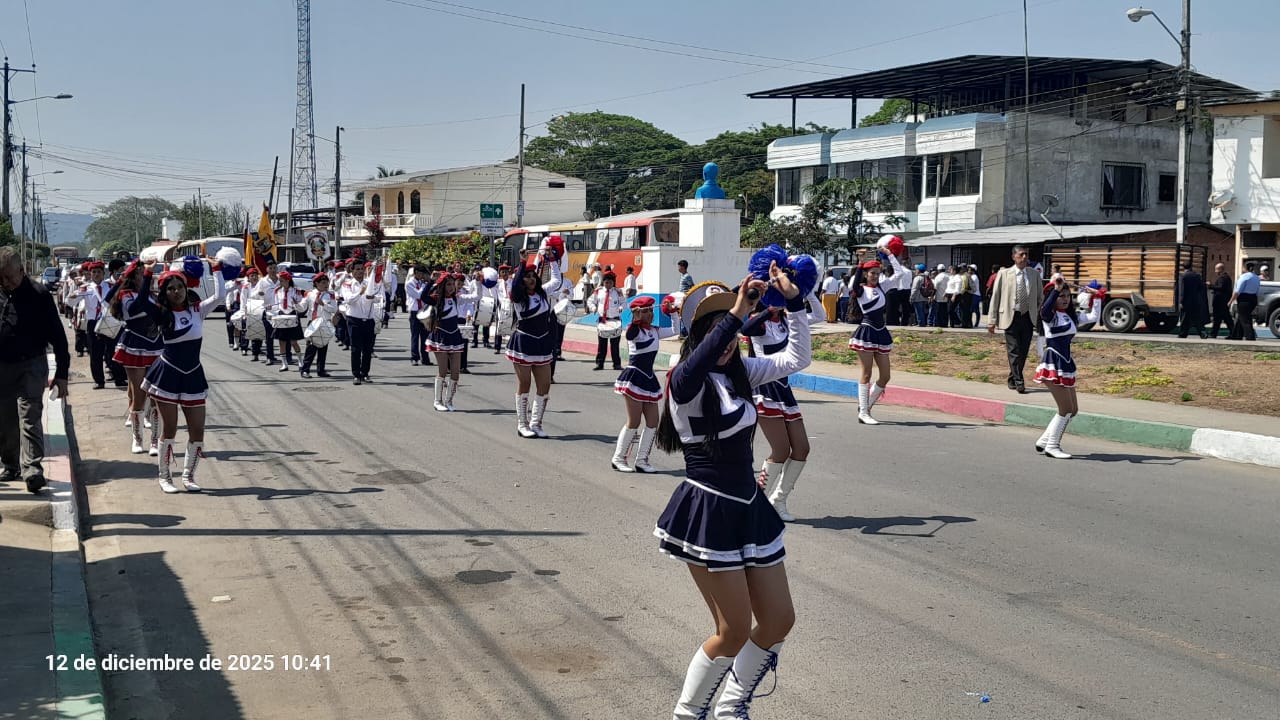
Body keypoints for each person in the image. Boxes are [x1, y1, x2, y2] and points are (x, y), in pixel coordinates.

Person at [653, 265, 809, 719]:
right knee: (733, 630)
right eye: (715, 329)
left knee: (779, 619)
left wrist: (794, 303)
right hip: (709, 511)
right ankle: (688, 715)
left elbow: (796, 359)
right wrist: (737, 312)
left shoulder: (741, 372)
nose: (726, 341)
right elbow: (699, 361)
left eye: (730, 330)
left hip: (749, 509)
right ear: (699, 336)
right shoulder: (684, 380)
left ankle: (731, 706)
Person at [137, 263, 228, 493]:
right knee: (170, 429)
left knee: (197, 430)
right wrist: (147, 272)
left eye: (180, 287)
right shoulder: (161, 314)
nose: (176, 291)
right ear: (164, 293)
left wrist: (216, 268)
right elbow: (141, 301)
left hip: (193, 375)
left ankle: (188, 476)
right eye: (170, 289)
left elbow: (220, 296)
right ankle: (165, 477)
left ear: (186, 289)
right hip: (167, 375)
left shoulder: (197, 310)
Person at [0, 246, 70, 494]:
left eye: (9, 277)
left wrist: (62, 375)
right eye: (1, 278)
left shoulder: (39, 295)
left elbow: (59, 338)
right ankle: (10, 465)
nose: (6, 283)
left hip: (31, 364)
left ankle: (32, 469)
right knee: (6, 420)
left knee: (29, 415)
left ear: (22, 270)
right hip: (2, 367)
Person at [743, 303, 810, 522]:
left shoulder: (786, 321)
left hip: (784, 390)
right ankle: (756, 503)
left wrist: (804, 296)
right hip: (765, 389)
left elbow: (817, 315)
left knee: (802, 448)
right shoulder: (761, 322)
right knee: (780, 450)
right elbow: (745, 328)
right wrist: (767, 311)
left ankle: (778, 500)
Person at [1032, 276, 1103, 459]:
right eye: (1060, 296)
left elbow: (1093, 317)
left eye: (1067, 296)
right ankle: (1052, 446)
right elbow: (1044, 310)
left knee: (1073, 409)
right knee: (1065, 409)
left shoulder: (1070, 316)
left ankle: (1044, 440)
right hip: (1053, 362)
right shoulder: (1050, 316)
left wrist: (1097, 297)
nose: (1064, 299)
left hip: (1065, 363)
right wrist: (1056, 289)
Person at [610, 296, 676, 473]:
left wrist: (672, 312)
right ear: (637, 313)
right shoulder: (634, 330)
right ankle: (618, 458)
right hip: (634, 377)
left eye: (651, 310)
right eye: (646, 311)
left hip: (648, 378)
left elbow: (676, 330)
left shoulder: (655, 330)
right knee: (634, 421)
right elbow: (630, 335)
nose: (650, 314)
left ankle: (641, 460)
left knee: (653, 421)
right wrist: (636, 319)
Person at [110, 260, 164, 455]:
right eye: (141, 274)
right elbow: (134, 309)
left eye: (145, 273)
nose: (144, 276)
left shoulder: (151, 295)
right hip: (135, 346)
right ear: (133, 277)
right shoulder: (126, 295)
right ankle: (137, 439)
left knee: (157, 396)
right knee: (139, 395)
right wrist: (148, 278)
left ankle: (155, 441)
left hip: (156, 345)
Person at [507, 248, 561, 438]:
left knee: (544, 385)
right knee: (525, 384)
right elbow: (515, 287)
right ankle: (522, 424)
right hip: (524, 343)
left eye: (533, 276)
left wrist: (553, 260)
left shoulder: (542, 293)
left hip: (542, 344)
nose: (531, 279)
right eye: (527, 277)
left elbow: (557, 281)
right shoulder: (518, 298)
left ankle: (536, 423)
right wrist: (522, 262)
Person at [848, 251, 903, 425]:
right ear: (866, 274)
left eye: (878, 273)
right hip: (867, 332)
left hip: (881, 332)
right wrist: (860, 263)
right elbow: (854, 284)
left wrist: (890, 255)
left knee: (885, 376)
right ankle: (864, 412)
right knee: (867, 373)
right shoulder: (860, 290)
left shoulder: (882, 287)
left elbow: (899, 274)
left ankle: (865, 406)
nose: (875, 276)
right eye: (872, 273)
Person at [988, 245, 1044, 394]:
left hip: (1027, 317)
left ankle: (1013, 378)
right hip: (1010, 316)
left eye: (1026, 254)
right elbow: (996, 296)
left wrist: (1038, 315)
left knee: (1023, 351)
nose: (1024, 257)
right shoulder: (1004, 274)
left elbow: (1040, 297)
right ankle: (1019, 381)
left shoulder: (1034, 274)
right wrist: (992, 320)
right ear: (1014, 257)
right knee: (1014, 350)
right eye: (1021, 254)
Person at [424, 270, 479, 411]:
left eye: (452, 284)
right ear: (442, 285)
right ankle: (437, 401)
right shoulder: (437, 299)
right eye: (448, 284)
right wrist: (431, 281)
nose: (451, 287)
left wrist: (478, 282)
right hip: (441, 337)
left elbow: (476, 297)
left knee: (456, 372)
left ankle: (449, 401)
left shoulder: (457, 298)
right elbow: (423, 297)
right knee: (443, 371)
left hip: (455, 337)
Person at [339, 259, 384, 384]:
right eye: (357, 269)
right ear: (352, 271)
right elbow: (348, 300)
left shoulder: (369, 283)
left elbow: (380, 297)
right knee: (355, 348)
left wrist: (372, 297)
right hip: (354, 319)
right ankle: (356, 375)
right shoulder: (347, 284)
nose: (360, 271)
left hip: (368, 320)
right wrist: (360, 293)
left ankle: (365, 373)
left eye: (361, 269)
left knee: (368, 349)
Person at [297, 273, 337, 379]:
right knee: (311, 348)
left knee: (323, 348)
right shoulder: (310, 294)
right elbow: (302, 308)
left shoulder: (330, 295)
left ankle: (321, 370)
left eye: (327, 282)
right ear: (317, 283)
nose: (326, 285)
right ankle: (305, 370)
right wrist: (296, 304)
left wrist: (324, 304)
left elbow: (334, 309)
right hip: (313, 323)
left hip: (325, 323)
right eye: (323, 283)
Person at [587, 270, 625, 371]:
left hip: (615, 321)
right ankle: (600, 364)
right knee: (602, 344)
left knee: (615, 344)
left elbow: (624, 302)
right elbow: (590, 301)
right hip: (603, 321)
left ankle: (616, 364)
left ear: (613, 283)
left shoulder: (618, 292)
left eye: (610, 282)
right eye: (606, 282)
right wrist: (593, 308)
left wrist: (621, 307)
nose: (608, 284)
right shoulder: (598, 291)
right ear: (603, 282)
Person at [272, 271, 305, 371]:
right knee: (282, 342)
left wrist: (296, 304)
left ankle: (300, 361)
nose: (280, 282)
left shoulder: (296, 291)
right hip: (282, 315)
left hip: (292, 314)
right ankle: (284, 364)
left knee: (293, 341)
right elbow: (276, 305)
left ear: (287, 280)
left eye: (281, 280)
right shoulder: (277, 291)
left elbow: (301, 306)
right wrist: (273, 310)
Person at [1228, 261, 1261, 341]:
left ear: (1245, 268)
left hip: (1244, 299)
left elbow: (1237, 291)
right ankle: (1236, 335)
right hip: (1253, 298)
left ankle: (1250, 336)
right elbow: (1257, 290)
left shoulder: (1244, 277)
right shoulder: (1257, 278)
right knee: (1241, 317)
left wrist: (1230, 301)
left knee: (1245, 319)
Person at [1177, 261, 1209, 339]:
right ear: (1191, 267)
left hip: (1186, 301)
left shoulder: (1183, 276)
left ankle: (1183, 333)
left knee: (1184, 318)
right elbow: (1200, 288)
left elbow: (1182, 290)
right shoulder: (1197, 276)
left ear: (1183, 267)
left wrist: (1181, 301)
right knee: (1197, 318)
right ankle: (1203, 333)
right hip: (1195, 301)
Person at [405, 266, 429, 366]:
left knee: (425, 336)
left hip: (424, 311)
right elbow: (418, 295)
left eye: (422, 273)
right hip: (415, 311)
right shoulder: (409, 283)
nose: (421, 275)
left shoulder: (423, 283)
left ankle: (425, 357)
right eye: (419, 273)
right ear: (415, 273)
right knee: (415, 335)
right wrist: (424, 286)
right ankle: (414, 357)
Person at [1210, 263, 1233, 338]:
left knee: (1221, 318)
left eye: (1216, 269)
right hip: (1223, 301)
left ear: (1221, 269)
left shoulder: (1223, 278)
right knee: (1222, 318)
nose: (1215, 271)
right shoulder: (1226, 277)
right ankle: (1232, 333)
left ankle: (1214, 333)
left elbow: (1220, 287)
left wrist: (1210, 286)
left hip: (1220, 302)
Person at [676, 259, 694, 338]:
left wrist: (687, 296)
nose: (678, 268)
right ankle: (683, 332)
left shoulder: (687, 276)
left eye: (679, 267)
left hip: (685, 298)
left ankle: (684, 332)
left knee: (683, 314)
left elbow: (692, 287)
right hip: (681, 298)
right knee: (680, 314)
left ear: (683, 267)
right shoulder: (682, 276)